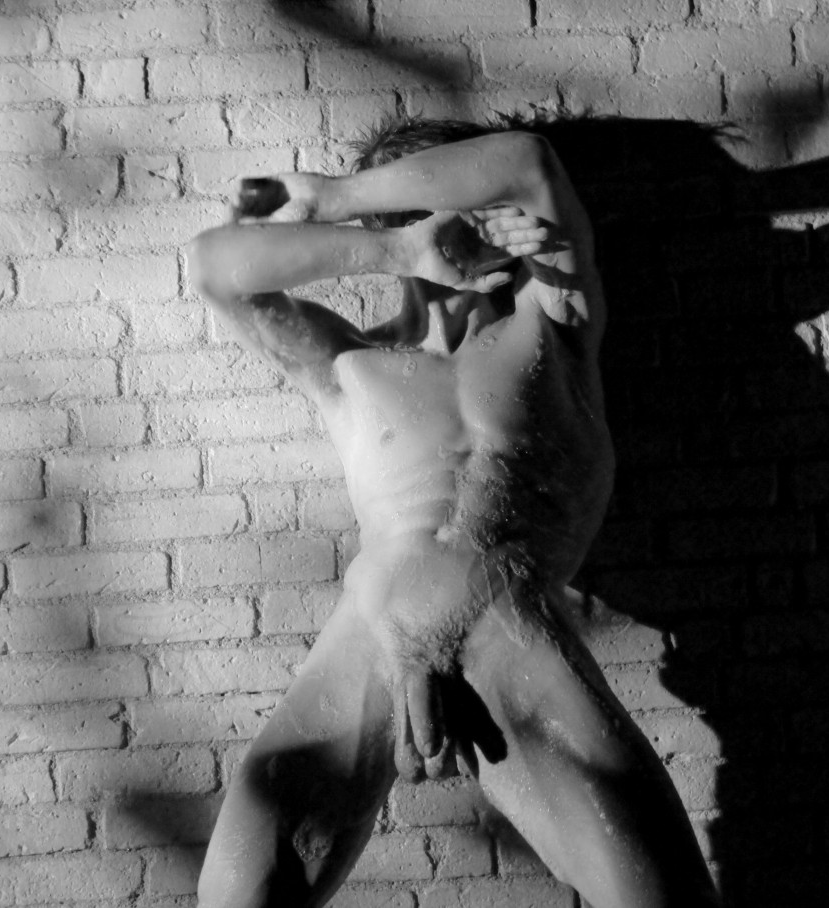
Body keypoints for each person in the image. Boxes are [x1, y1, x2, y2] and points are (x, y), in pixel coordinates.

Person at [186, 117, 721, 908]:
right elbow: (212, 265)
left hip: (511, 630)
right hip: (372, 631)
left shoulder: (552, 315)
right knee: (240, 893)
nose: (447, 218)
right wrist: (399, 249)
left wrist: (332, 195)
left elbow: (525, 160)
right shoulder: (349, 360)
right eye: (414, 204)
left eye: (456, 196)